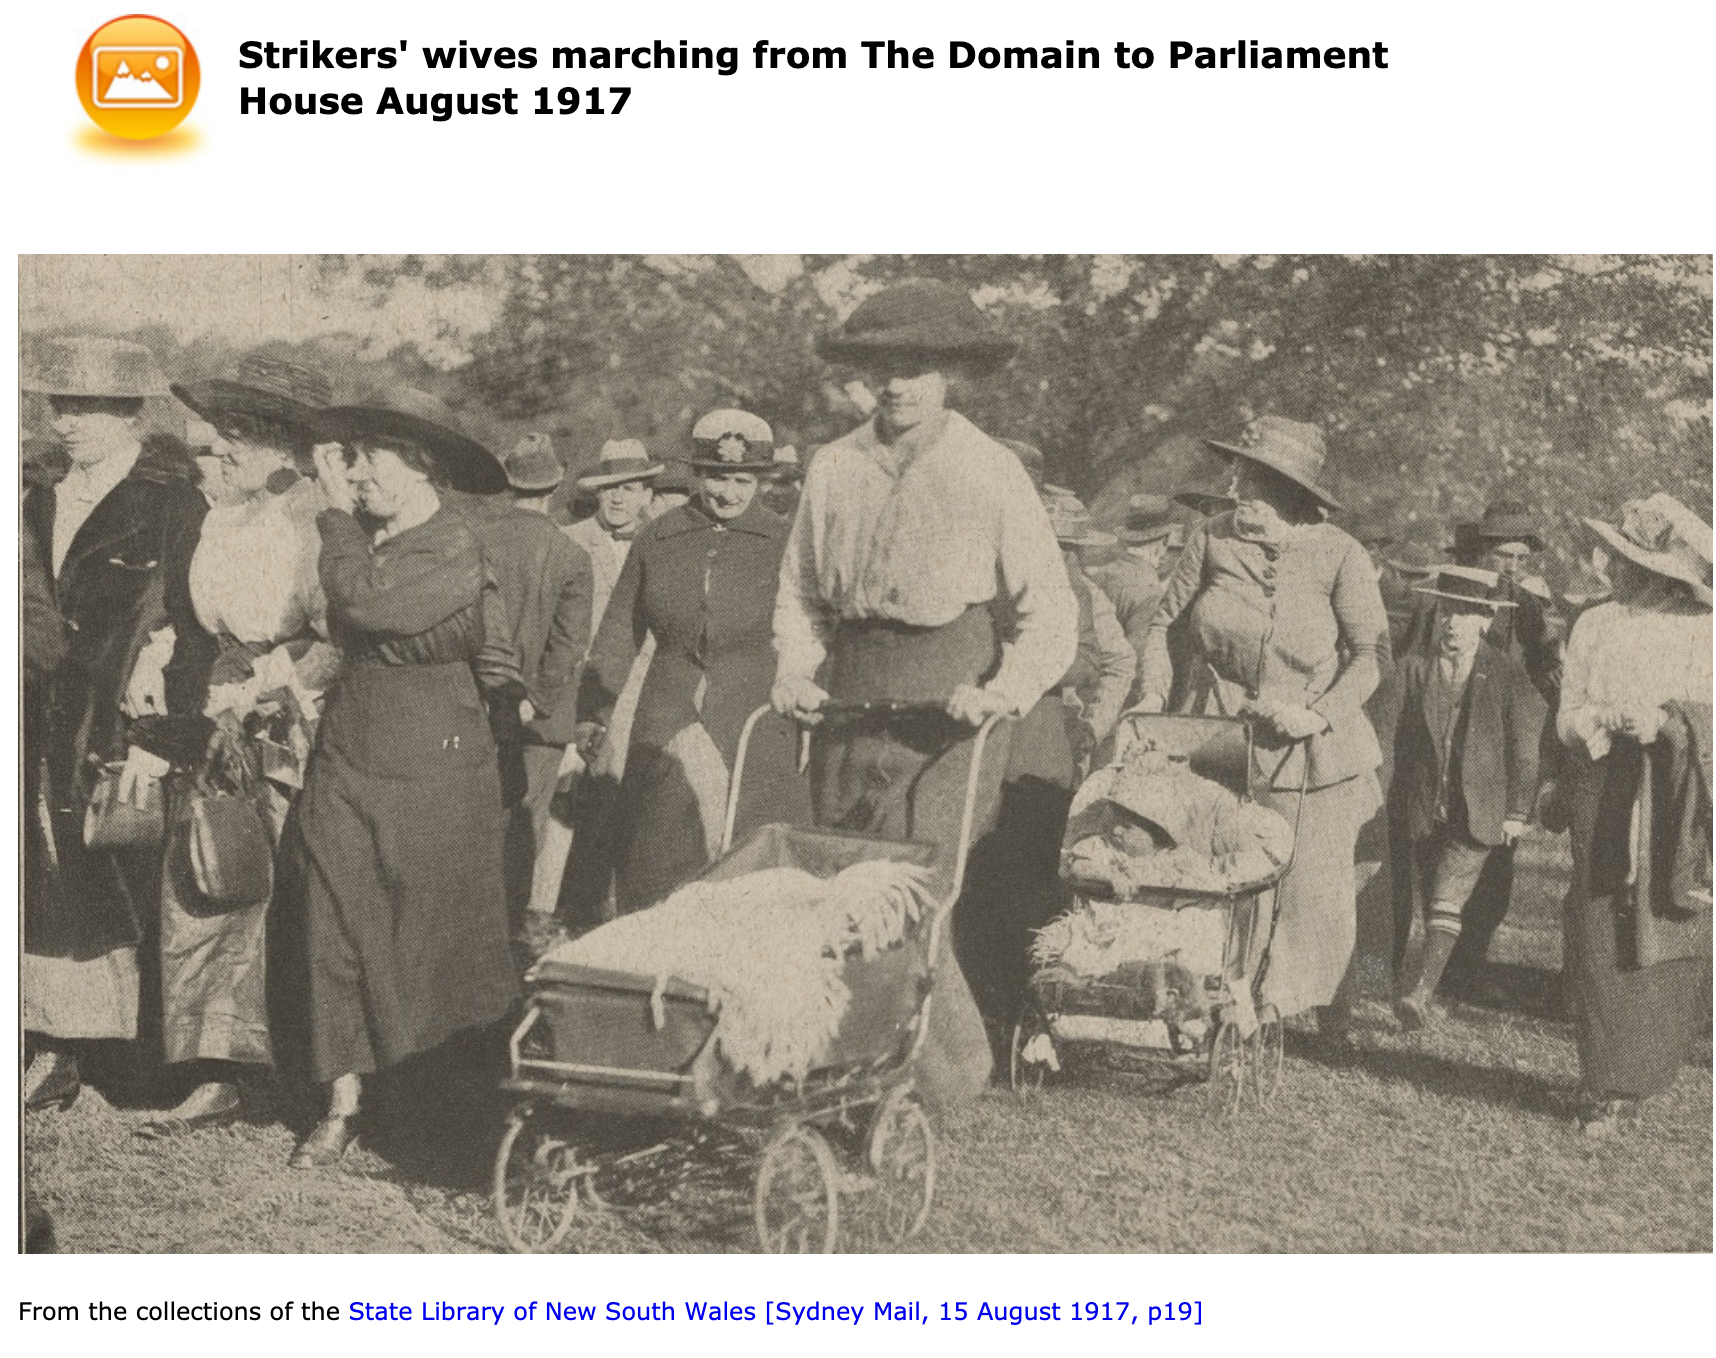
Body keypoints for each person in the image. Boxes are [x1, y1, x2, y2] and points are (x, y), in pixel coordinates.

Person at [773, 279, 1079, 1108]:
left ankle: (938, 1076)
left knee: (917, 890)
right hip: (850, 693)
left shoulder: (989, 471)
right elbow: (800, 590)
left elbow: (1048, 609)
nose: (898, 385)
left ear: (953, 376)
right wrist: (794, 671)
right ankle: (838, 1057)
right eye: (883, 369)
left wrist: (1002, 690)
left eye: (918, 368)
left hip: (949, 701)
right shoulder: (833, 466)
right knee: (839, 882)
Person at [289, 388, 523, 1168]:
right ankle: (342, 1100)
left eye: (369, 460)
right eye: (347, 462)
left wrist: (330, 517)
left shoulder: (452, 544)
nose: (353, 476)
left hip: (433, 766)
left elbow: (364, 605)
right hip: (349, 753)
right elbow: (344, 615)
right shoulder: (371, 541)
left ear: (421, 467)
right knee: (333, 924)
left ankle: (430, 1103)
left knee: (423, 935)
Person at [110, 354, 341, 1135]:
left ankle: (297, 1073)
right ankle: (217, 1070)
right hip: (218, 716)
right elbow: (196, 612)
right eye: (224, 433)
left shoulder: (315, 519)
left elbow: (334, 636)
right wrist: (163, 647)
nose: (224, 447)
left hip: (289, 727)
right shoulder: (221, 514)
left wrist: (267, 686)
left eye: (242, 435)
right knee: (207, 875)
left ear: (286, 445)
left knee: (283, 887)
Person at [1127, 415, 1389, 1033]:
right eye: (1236, 477)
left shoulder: (1340, 555)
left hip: (1312, 751)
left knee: (1305, 890)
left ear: (1295, 496)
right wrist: (1154, 693)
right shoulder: (1211, 538)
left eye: (1257, 484)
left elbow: (1371, 657)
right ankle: (1218, 1000)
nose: (1239, 494)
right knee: (1211, 866)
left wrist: (1314, 713)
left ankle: (1301, 1008)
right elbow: (1163, 623)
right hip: (1219, 734)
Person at [22, 337, 206, 1111]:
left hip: (125, 727)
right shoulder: (36, 497)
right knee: (44, 871)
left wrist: (163, 737)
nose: (67, 422)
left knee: (120, 877)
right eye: (59, 404)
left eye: (86, 407)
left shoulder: (171, 503)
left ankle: (123, 1057)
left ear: (128, 411)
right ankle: (54, 1042)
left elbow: (195, 630)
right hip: (39, 720)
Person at [577, 409, 807, 913]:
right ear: (698, 476)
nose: (728, 492)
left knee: (756, 849)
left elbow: (811, 629)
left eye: (743, 480)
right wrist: (594, 713)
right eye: (717, 478)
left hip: (756, 713)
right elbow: (619, 632)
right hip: (668, 709)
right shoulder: (657, 538)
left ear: (761, 481)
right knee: (655, 845)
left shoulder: (786, 542)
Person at [1556, 494, 1712, 1137]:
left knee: (1656, 921)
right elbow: (1567, 711)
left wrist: (1664, 722)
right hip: (1602, 784)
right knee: (1597, 921)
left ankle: (1641, 1077)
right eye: (1617, 556)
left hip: (1672, 794)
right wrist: (1594, 721)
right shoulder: (1594, 624)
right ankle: (1605, 1082)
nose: (1617, 568)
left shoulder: (1704, 632)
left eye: (1632, 560)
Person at [1388, 567, 1546, 1030]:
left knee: (1447, 896)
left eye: (1467, 613)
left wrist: (1518, 809)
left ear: (1486, 618)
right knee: (1419, 893)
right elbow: (1388, 736)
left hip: (1479, 807)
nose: (1454, 622)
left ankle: (1420, 994)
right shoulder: (1414, 668)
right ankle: (1397, 975)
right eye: (1447, 611)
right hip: (1421, 804)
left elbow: (1525, 742)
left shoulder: (1504, 670)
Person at [463, 434, 593, 930]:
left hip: (473, 704)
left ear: (506, 484)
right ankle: (506, 940)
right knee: (523, 827)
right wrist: (535, 701)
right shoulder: (571, 555)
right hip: (539, 722)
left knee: (469, 821)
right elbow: (568, 648)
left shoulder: (472, 541)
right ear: (556, 486)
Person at [1084, 493, 1181, 698]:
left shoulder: (1100, 575)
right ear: (1163, 542)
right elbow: (1136, 665)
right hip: (1113, 697)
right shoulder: (1151, 594)